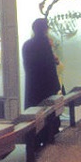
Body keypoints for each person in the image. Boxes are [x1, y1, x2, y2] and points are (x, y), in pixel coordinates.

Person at [22, 17, 63, 147]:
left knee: (35, 113)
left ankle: (34, 142)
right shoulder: (45, 44)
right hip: (47, 88)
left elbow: (29, 66)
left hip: (33, 87)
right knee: (47, 114)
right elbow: (50, 67)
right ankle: (47, 138)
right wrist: (57, 86)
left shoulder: (27, 45)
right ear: (45, 29)